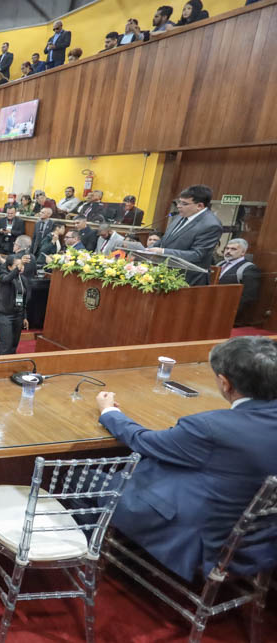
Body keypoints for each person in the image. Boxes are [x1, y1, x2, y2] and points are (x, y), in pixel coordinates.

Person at [95, 336, 277, 581]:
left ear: (225, 383)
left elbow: (144, 442)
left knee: (89, 481)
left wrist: (110, 412)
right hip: (262, 538)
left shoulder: (210, 428)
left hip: (206, 541)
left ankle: (91, 554)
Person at [147, 185, 223, 286]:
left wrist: (163, 251)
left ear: (199, 206)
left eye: (184, 203)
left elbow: (197, 255)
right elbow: (166, 240)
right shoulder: (180, 216)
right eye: (178, 202)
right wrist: (147, 250)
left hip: (188, 280)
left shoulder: (211, 225)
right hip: (164, 275)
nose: (178, 206)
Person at [0, 253, 31, 355]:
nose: (21, 267)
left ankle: (10, 364)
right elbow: (7, 278)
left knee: (14, 344)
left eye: (22, 265)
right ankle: (1, 365)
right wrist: (17, 269)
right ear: (10, 267)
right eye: (17, 265)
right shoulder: (4, 276)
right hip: (5, 314)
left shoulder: (23, 279)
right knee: (6, 344)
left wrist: (24, 316)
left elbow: (24, 299)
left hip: (18, 314)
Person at [217, 238, 261, 324]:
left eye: (233, 249)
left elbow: (248, 296)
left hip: (228, 313)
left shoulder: (249, 268)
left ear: (243, 252)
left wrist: (231, 313)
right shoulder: (219, 264)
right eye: (227, 248)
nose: (228, 251)